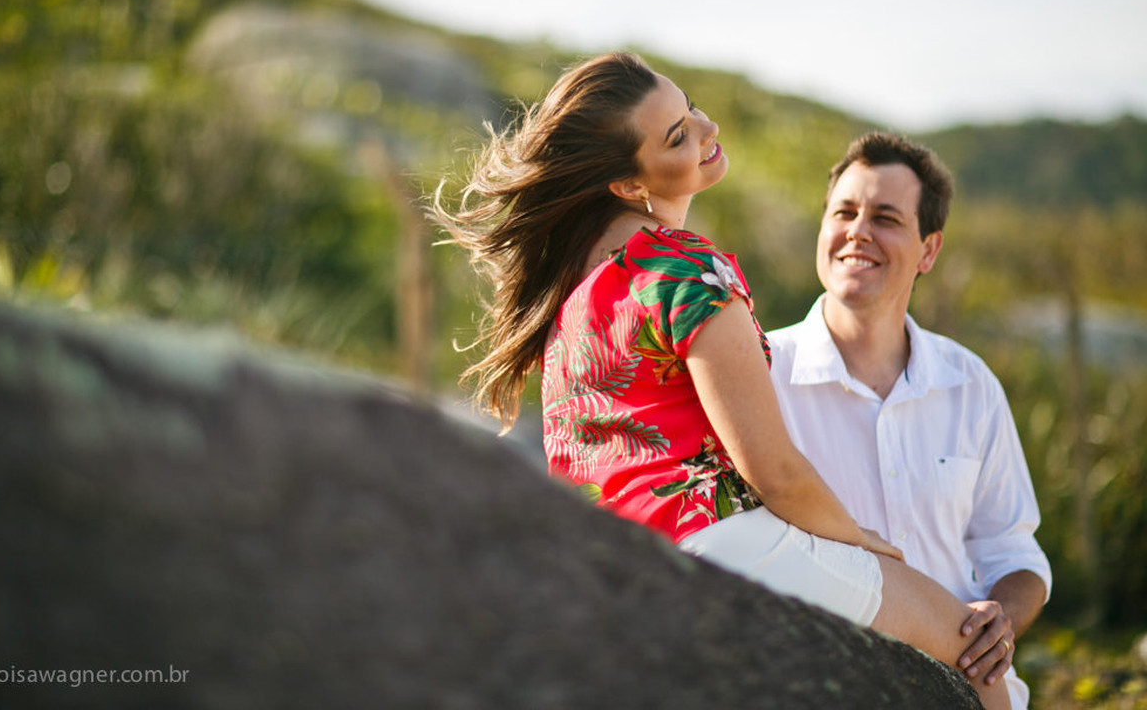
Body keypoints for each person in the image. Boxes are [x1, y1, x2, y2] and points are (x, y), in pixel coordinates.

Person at [435, 52, 1011, 709]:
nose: (706, 129)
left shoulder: (573, 294)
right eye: (678, 135)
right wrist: (869, 545)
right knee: (979, 653)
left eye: (690, 109)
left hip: (613, 563)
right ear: (628, 183)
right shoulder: (685, 264)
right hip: (721, 542)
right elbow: (774, 470)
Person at [766, 131, 1051, 709]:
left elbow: (1015, 555)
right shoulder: (761, 374)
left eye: (886, 218)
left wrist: (1005, 617)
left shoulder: (971, 385)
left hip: (964, 691)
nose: (858, 232)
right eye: (843, 212)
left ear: (928, 250)